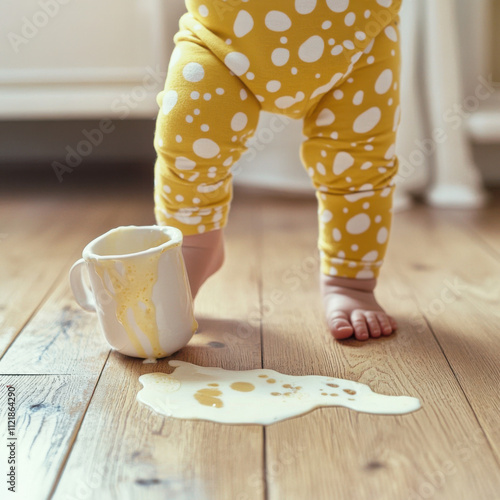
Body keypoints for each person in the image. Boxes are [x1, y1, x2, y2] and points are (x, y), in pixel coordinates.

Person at [153, 0, 402, 341]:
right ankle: (195, 244)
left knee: (359, 163)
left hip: (357, 39)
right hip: (221, 34)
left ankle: (350, 281)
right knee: (188, 136)